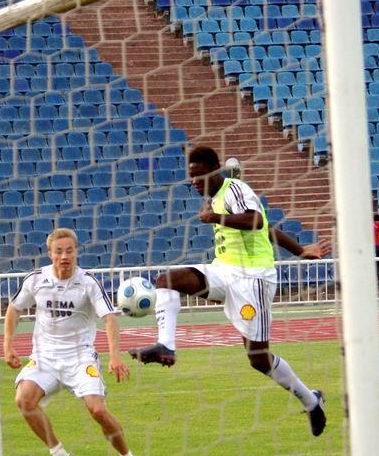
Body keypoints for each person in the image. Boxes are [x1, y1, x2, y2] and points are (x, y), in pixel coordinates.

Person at [128, 145, 333, 437]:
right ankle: (166, 346)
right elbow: (267, 228)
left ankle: (312, 401)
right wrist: (300, 250)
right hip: (224, 271)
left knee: (258, 359)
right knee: (166, 280)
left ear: (215, 170)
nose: (194, 181)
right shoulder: (216, 198)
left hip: (254, 279)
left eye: (199, 174)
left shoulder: (235, 189)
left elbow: (256, 221)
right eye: (191, 176)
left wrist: (215, 218)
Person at [4, 228, 145, 456]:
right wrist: (8, 344)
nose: (64, 256)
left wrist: (115, 356)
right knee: (24, 400)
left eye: (69, 251)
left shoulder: (88, 282)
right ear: (50, 253)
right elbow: (14, 309)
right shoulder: (36, 279)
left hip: (81, 358)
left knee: (97, 410)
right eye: (59, 251)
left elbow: (110, 318)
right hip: (45, 358)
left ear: (76, 252)